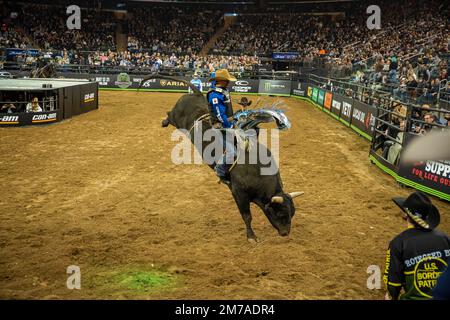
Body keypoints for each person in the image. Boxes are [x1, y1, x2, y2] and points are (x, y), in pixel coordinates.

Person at [383, 191, 450, 300]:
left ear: (406, 214)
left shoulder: (398, 243)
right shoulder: (445, 238)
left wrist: (391, 296)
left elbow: (393, 283)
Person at [206, 69, 237, 184]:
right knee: (232, 153)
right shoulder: (215, 94)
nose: (229, 82)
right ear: (221, 81)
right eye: (227, 80)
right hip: (221, 127)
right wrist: (230, 126)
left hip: (226, 125)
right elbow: (220, 114)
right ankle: (219, 170)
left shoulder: (222, 91)